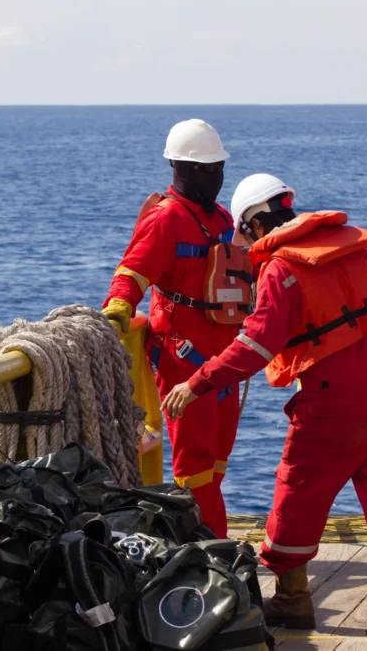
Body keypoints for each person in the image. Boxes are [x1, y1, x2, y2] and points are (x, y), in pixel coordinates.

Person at [162, 173, 367, 640]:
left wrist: (197, 383)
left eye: (245, 235)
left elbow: (255, 345)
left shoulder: (282, 269)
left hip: (330, 401)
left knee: (296, 494)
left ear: (255, 224)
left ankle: (291, 597)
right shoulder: (358, 252)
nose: (246, 246)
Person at [102, 119, 249, 539]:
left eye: (217, 168)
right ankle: (205, 545)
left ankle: (212, 540)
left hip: (224, 362)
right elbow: (132, 271)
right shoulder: (165, 219)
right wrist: (119, 307)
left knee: (216, 461)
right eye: (204, 169)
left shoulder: (222, 218)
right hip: (185, 360)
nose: (213, 176)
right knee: (195, 465)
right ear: (179, 168)